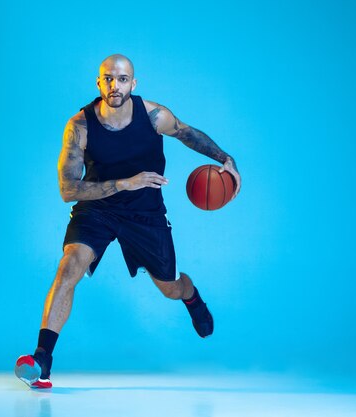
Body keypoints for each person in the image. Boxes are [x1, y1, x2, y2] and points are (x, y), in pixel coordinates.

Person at [14, 54, 241, 389]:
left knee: (169, 288)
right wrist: (123, 183)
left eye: (122, 79)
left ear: (133, 84)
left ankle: (191, 295)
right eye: (108, 78)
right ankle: (42, 360)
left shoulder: (154, 116)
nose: (114, 85)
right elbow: (67, 190)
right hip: (97, 210)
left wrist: (226, 159)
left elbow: (187, 133)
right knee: (69, 266)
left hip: (144, 213)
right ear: (98, 82)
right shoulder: (79, 126)